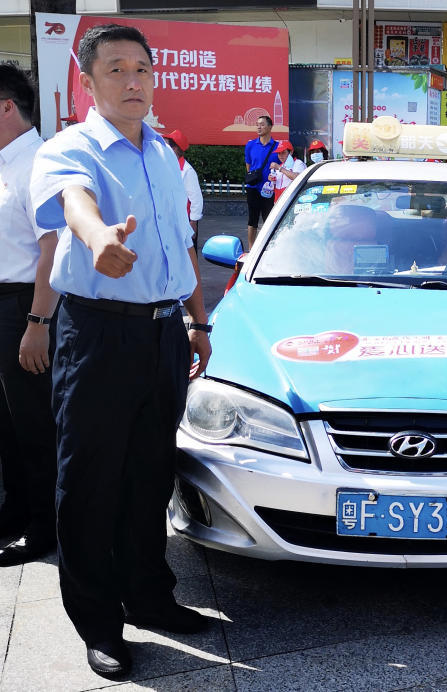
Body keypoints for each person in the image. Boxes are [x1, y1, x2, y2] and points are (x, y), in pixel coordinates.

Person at [29, 23, 212, 679]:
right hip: (98, 334)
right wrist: (97, 236)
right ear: (88, 82)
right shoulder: (69, 149)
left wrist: (198, 321)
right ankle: (99, 623)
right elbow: (73, 202)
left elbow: (180, 245)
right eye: (116, 69)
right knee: (90, 483)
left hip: (163, 333)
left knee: (149, 475)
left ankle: (150, 597)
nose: (133, 81)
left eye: (142, 69)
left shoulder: (163, 154)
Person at [0, 63, 59, 567]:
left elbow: (52, 249)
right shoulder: (5, 162)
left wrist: (38, 324)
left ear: (6, 107)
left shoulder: (39, 163)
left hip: (25, 307)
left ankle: (45, 523)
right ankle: (15, 509)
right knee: (8, 422)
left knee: (35, 424)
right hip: (4, 304)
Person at [163, 129, 203, 249]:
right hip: (170, 218)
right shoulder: (166, 165)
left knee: (188, 254)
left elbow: (196, 199)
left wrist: (193, 222)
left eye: (167, 145)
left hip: (185, 221)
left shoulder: (187, 171)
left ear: (175, 149)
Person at [245, 114, 279, 249]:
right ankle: (251, 249)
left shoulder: (277, 146)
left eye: (262, 124)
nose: (259, 127)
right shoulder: (250, 145)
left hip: (269, 189)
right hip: (253, 187)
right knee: (252, 220)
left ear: (270, 127)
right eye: (257, 125)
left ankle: (267, 248)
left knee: (268, 219)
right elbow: (248, 166)